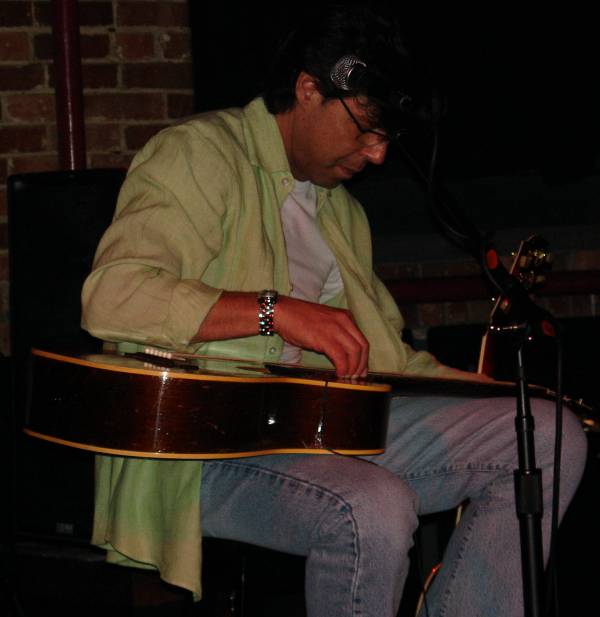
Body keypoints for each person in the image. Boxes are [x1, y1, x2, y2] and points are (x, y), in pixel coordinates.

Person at [81, 4, 587, 616]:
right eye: (365, 129)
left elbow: (390, 360)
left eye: (385, 139)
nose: (376, 156)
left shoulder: (341, 211)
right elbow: (112, 296)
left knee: (543, 434)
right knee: (373, 506)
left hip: (321, 429)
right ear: (309, 88)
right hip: (200, 450)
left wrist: (484, 393)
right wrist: (277, 311)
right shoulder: (197, 154)